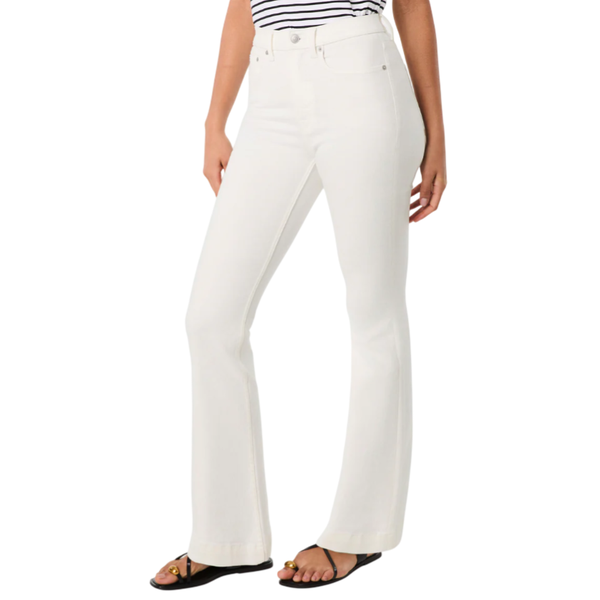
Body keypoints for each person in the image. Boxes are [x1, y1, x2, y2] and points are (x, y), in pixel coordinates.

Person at [150, 0, 446, 590]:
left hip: (360, 74)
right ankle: (227, 538)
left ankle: (360, 530)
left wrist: (437, 134)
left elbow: (412, 4)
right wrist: (214, 119)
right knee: (211, 319)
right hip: (270, 90)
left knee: (374, 314)